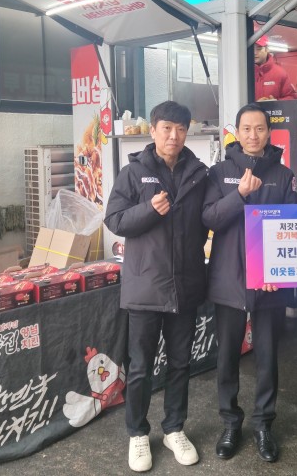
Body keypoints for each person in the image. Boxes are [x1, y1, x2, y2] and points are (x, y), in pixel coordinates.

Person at [104, 101, 209, 473]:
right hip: (145, 287)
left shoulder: (199, 173)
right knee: (140, 367)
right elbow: (114, 219)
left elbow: (206, 221)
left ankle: (174, 429)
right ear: (152, 131)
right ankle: (137, 433)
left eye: (180, 129)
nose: (173, 136)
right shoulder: (134, 172)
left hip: (185, 285)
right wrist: (149, 209)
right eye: (166, 128)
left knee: (181, 364)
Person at [202, 103, 297, 463]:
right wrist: (239, 195)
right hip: (228, 279)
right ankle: (231, 423)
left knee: (267, 357)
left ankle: (263, 424)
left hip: (269, 283)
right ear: (237, 132)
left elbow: (292, 227)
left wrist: (277, 270)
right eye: (246, 128)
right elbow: (210, 217)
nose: (253, 135)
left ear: (268, 133)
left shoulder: (284, 175)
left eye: (260, 128)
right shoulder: (219, 172)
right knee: (227, 357)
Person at [254, 35, 297, 101]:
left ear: (267, 49)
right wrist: (254, 105)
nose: (255, 52)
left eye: (259, 49)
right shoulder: (242, 72)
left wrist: (276, 103)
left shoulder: (280, 73)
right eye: (252, 49)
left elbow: (291, 97)